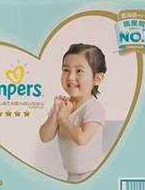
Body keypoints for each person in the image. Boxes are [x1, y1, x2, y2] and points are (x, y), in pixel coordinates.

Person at [39, 43, 107, 183]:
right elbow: (45, 136)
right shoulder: (63, 105)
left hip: (94, 173)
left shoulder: (94, 107)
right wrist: (55, 114)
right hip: (72, 175)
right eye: (66, 69)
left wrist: (63, 119)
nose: (70, 77)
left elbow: (82, 139)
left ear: (97, 79)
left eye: (79, 71)